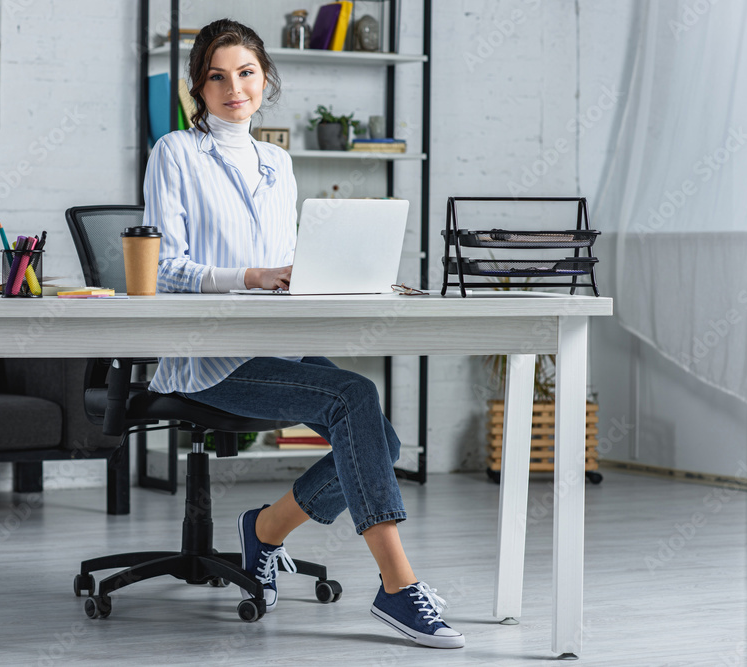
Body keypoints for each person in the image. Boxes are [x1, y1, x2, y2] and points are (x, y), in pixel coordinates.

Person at [142, 18, 464, 650]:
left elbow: (294, 261)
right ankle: (397, 586)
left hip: (274, 339)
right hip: (210, 353)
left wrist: (339, 280)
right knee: (354, 398)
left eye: (246, 73)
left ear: (266, 80)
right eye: (217, 76)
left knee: (382, 434)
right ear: (197, 89)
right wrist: (254, 276)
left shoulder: (278, 163)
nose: (234, 87)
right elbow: (166, 268)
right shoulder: (175, 153)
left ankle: (263, 531)